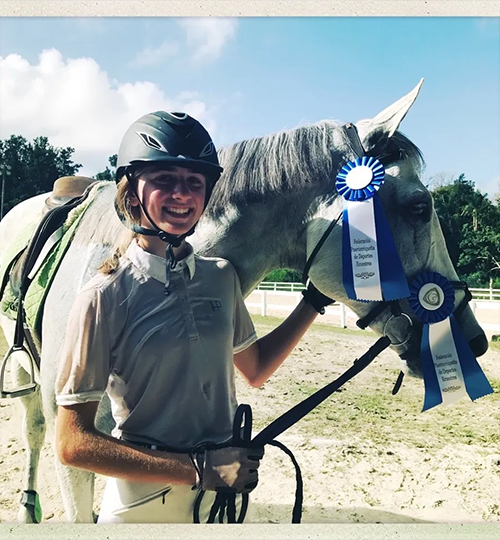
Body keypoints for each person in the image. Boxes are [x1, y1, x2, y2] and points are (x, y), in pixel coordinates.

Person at [54, 110, 333, 523]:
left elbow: (254, 369)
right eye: (164, 180)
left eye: (193, 183)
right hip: (144, 508)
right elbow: (72, 443)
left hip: (224, 499)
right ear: (132, 194)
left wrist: (313, 301)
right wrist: (198, 471)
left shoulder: (221, 277)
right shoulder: (102, 296)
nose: (182, 194)